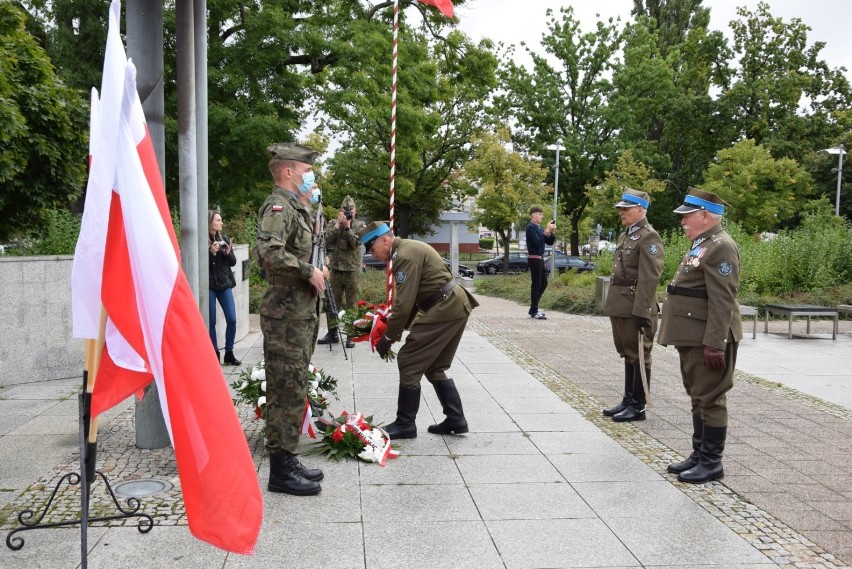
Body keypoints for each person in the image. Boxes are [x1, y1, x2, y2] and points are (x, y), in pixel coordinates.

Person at [357, 221, 479, 439]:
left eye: (371, 247)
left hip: (445, 306)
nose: (371, 254)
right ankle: (456, 419)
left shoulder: (403, 255)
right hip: (453, 304)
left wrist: (388, 337)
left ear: (385, 240)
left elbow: (404, 303)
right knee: (434, 366)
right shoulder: (407, 249)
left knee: (409, 358)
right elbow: (411, 300)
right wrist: (397, 329)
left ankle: (405, 424)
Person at [254, 142, 328, 496]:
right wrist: (307, 269)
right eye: (305, 170)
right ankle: (280, 470)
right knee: (285, 389)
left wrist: (313, 271)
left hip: (297, 312)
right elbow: (267, 253)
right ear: (288, 172)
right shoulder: (278, 206)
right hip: (285, 314)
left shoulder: (296, 208)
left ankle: (289, 457)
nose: (308, 176)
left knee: (295, 386)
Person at [658, 187, 742, 484]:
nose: (682, 221)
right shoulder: (702, 242)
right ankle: (698, 455)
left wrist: (714, 344)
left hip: (708, 337)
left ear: (705, 216)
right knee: (698, 396)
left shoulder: (721, 246)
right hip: (692, 335)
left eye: (687, 216)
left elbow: (723, 299)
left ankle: (711, 462)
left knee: (711, 398)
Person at [602, 189, 664, 422]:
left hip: (636, 306)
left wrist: (642, 311)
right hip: (621, 304)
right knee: (628, 353)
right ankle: (628, 399)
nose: (621, 212)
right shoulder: (626, 235)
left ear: (640, 210)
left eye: (626, 209)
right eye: (621, 208)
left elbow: (650, 278)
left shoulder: (649, 237)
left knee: (640, 354)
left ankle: (638, 406)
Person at [317, 195, 365, 348]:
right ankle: (332, 333)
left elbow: (356, 244)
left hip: (352, 271)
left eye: (351, 210)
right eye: (345, 210)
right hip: (336, 270)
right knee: (332, 302)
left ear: (355, 210)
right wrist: (338, 225)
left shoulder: (359, 226)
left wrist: (348, 227)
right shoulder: (333, 224)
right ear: (340, 211)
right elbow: (324, 241)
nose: (348, 213)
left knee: (351, 304)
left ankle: (351, 335)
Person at [208, 209, 241, 366]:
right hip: (209, 285)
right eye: (218, 220)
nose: (221, 223)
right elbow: (196, 265)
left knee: (232, 319)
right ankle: (214, 353)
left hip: (224, 283)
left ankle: (229, 352)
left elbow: (233, 262)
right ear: (210, 222)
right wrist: (211, 253)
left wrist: (227, 252)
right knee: (211, 321)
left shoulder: (224, 238)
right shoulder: (202, 241)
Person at [526, 206, 556, 319]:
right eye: (540, 214)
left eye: (542, 215)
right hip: (534, 258)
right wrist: (547, 230)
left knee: (544, 283)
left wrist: (552, 232)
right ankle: (534, 311)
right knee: (536, 284)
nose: (542, 216)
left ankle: (533, 308)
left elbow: (548, 242)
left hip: (540, 258)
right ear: (533, 215)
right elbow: (538, 242)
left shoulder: (538, 228)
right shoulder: (530, 227)